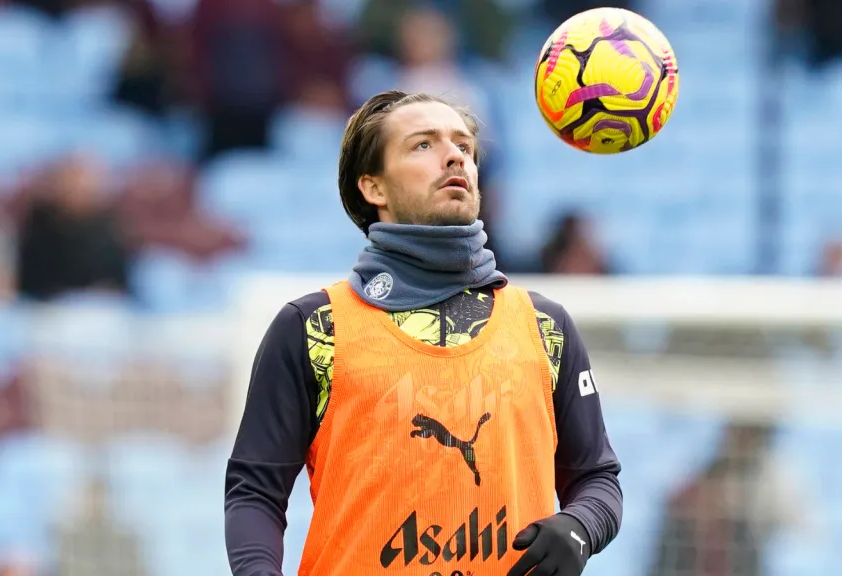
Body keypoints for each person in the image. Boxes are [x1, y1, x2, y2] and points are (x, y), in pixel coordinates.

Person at [225, 91, 623, 576]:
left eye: (464, 146)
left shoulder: (546, 326)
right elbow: (254, 491)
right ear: (373, 187)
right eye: (423, 144)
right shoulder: (312, 328)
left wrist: (581, 526)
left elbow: (598, 478)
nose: (454, 156)